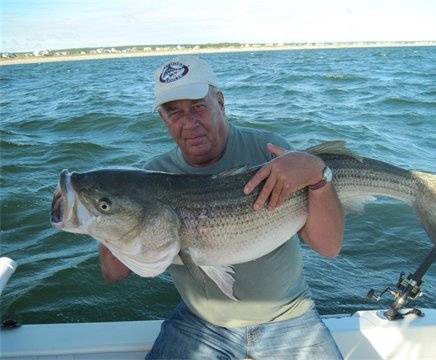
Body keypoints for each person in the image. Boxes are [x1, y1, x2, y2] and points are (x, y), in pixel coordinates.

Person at [99, 55, 345, 359]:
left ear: (221, 102)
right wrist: (99, 215)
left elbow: (329, 248)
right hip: (201, 323)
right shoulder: (151, 179)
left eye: (198, 107)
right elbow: (113, 273)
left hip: (289, 316)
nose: (188, 124)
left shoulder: (270, 152)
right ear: (162, 118)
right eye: (173, 112)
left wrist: (318, 175)